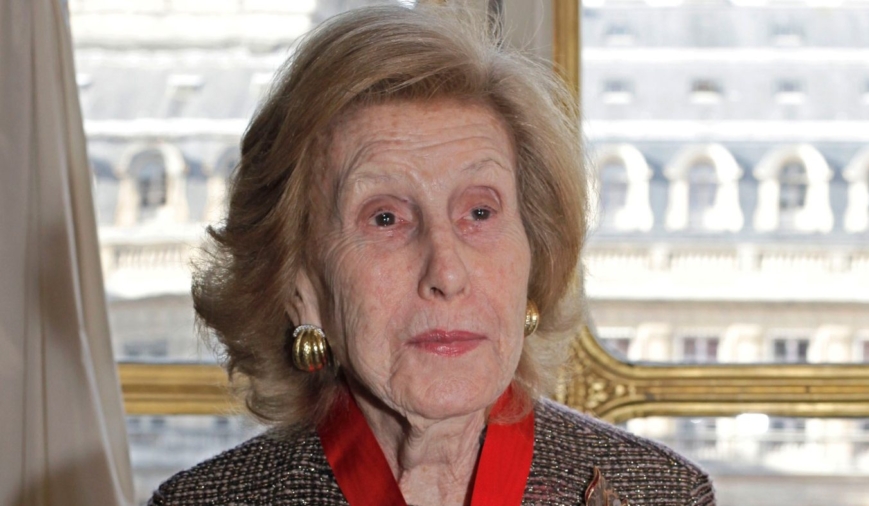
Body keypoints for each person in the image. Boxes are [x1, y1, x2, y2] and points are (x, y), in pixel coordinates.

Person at [149, 5, 715, 506]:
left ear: (534, 257)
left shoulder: (661, 495)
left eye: (480, 212)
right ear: (299, 283)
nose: (446, 271)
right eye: (385, 219)